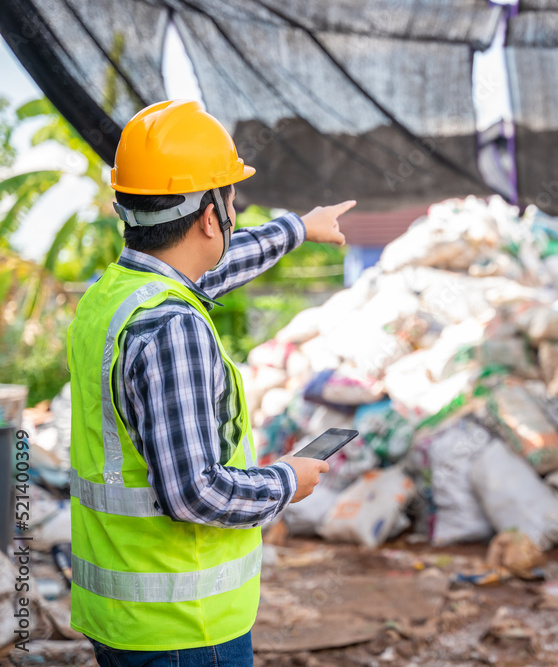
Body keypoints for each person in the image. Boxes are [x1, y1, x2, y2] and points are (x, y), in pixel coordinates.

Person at [67, 100, 354, 665]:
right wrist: (285, 481)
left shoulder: (113, 295)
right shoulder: (174, 328)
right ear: (208, 217)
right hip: (184, 630)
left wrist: (298, 228)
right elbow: (194, 492)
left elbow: (214, 265)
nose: (233, 213)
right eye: (230, 200)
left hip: (125, 619)